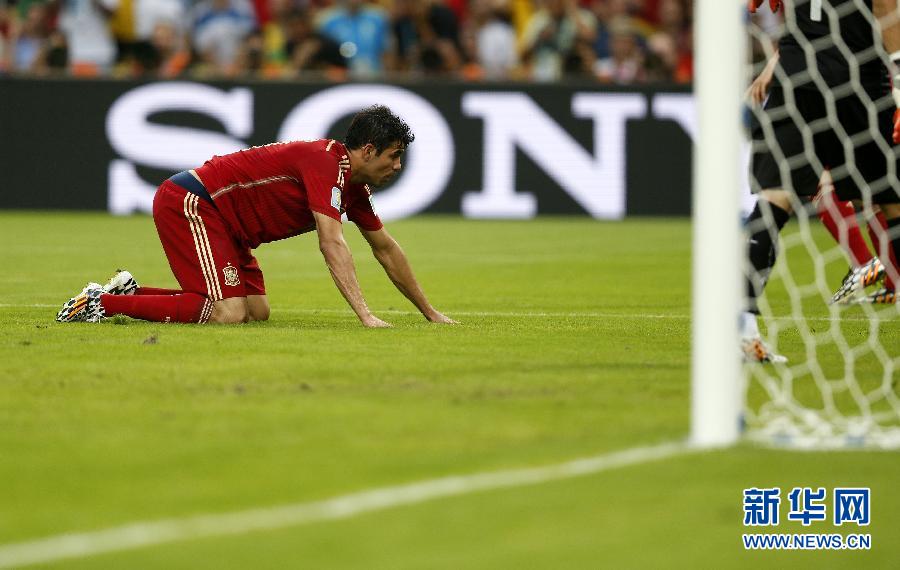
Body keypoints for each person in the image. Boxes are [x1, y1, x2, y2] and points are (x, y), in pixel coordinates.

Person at [56, 105, 456, 328]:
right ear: (368, 151)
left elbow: (385, 249)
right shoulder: (324, 161)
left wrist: (430, 313)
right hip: (193, 203)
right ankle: (100, 304)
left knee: (256, 311)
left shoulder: (352, 186)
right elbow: (331, 242)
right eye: (394, 155)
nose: (398, 166)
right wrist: (365, 315)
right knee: (227, 313)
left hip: (228, 227)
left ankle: (129, 292)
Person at [743, 0, 900, 363]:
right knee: (889, 201)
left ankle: (742, 325)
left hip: (797, 78)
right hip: (857, 81)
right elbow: (887, 14)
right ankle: (876, 269)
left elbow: (806, 20)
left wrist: (775, 61)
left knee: (774, 200)